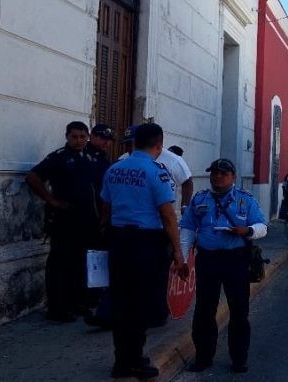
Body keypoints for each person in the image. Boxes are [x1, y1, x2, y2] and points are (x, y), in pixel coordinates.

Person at [100, 123, 189, 379]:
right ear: (159, 145)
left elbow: (106, 207)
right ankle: (134, 360)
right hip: (146, 242)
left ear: (134, 142)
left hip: (118, 240)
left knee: (121, 300)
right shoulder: (157, 171)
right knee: (140, 304)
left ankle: (121, 360)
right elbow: (168, 216)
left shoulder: (114, 169)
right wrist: (178, 252)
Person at [181, 158, 267, 374]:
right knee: (204, 310)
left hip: (235, 260)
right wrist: (182, 259)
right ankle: (203, 357)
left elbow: (262, 226)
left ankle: (239, 359)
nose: (218, 176)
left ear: (233, 178)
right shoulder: (199, 199)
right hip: (207, 259)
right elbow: (188, 229)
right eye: (215, 173)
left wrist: (246, 231)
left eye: (223, 173)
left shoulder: (245, 200)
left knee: (239, 311)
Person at [25, 121, 108, 323]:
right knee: (59, 264)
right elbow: (33, 177)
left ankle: (79, 303)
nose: (78, 140)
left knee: (82, 264)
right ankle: (57, 309)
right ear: (67, 137)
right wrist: (52, 200)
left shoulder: (95, 158)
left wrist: (105, 216)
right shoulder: (59, 157)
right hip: (65, 220)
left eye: (82, 136)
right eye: (74, 137)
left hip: (90, 220)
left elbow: (105, 188)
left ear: (87, 136)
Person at [120, 127, 194, 209]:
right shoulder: (122, 160)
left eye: (133, 144)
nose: (130, 149)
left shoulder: (173, 160)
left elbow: (187, 181)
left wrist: (184, 207)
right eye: (127, 145)